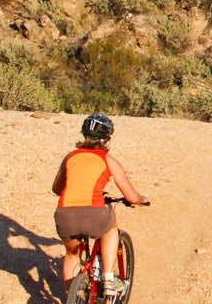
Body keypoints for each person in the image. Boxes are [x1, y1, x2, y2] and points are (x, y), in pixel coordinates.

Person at [50, 113, 150, 290]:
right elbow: (131, 196)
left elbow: (57, 189)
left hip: (65, 215)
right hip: (95, 214)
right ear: (108, 138)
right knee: (111, 227)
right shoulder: (108, 160)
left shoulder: (70, 157)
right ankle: (108, 278)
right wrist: (142, 200)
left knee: (72, 256)